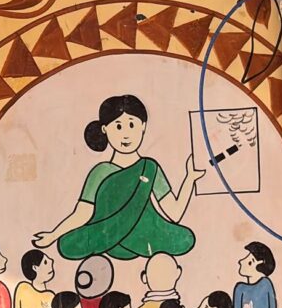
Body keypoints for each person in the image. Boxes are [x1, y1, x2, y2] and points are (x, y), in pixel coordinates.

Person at [33, 95, 203, 262]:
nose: (126, 135)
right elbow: (83, 212)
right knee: (66, 244)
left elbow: (174, 213)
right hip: (106, 235)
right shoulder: (100, 172)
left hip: (144, 236)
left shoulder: (149, 167)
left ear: (143, 126)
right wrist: (54, 235)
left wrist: (190, 178)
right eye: (118, 127)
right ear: (105, 130)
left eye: (131, 125)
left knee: (185, 238)